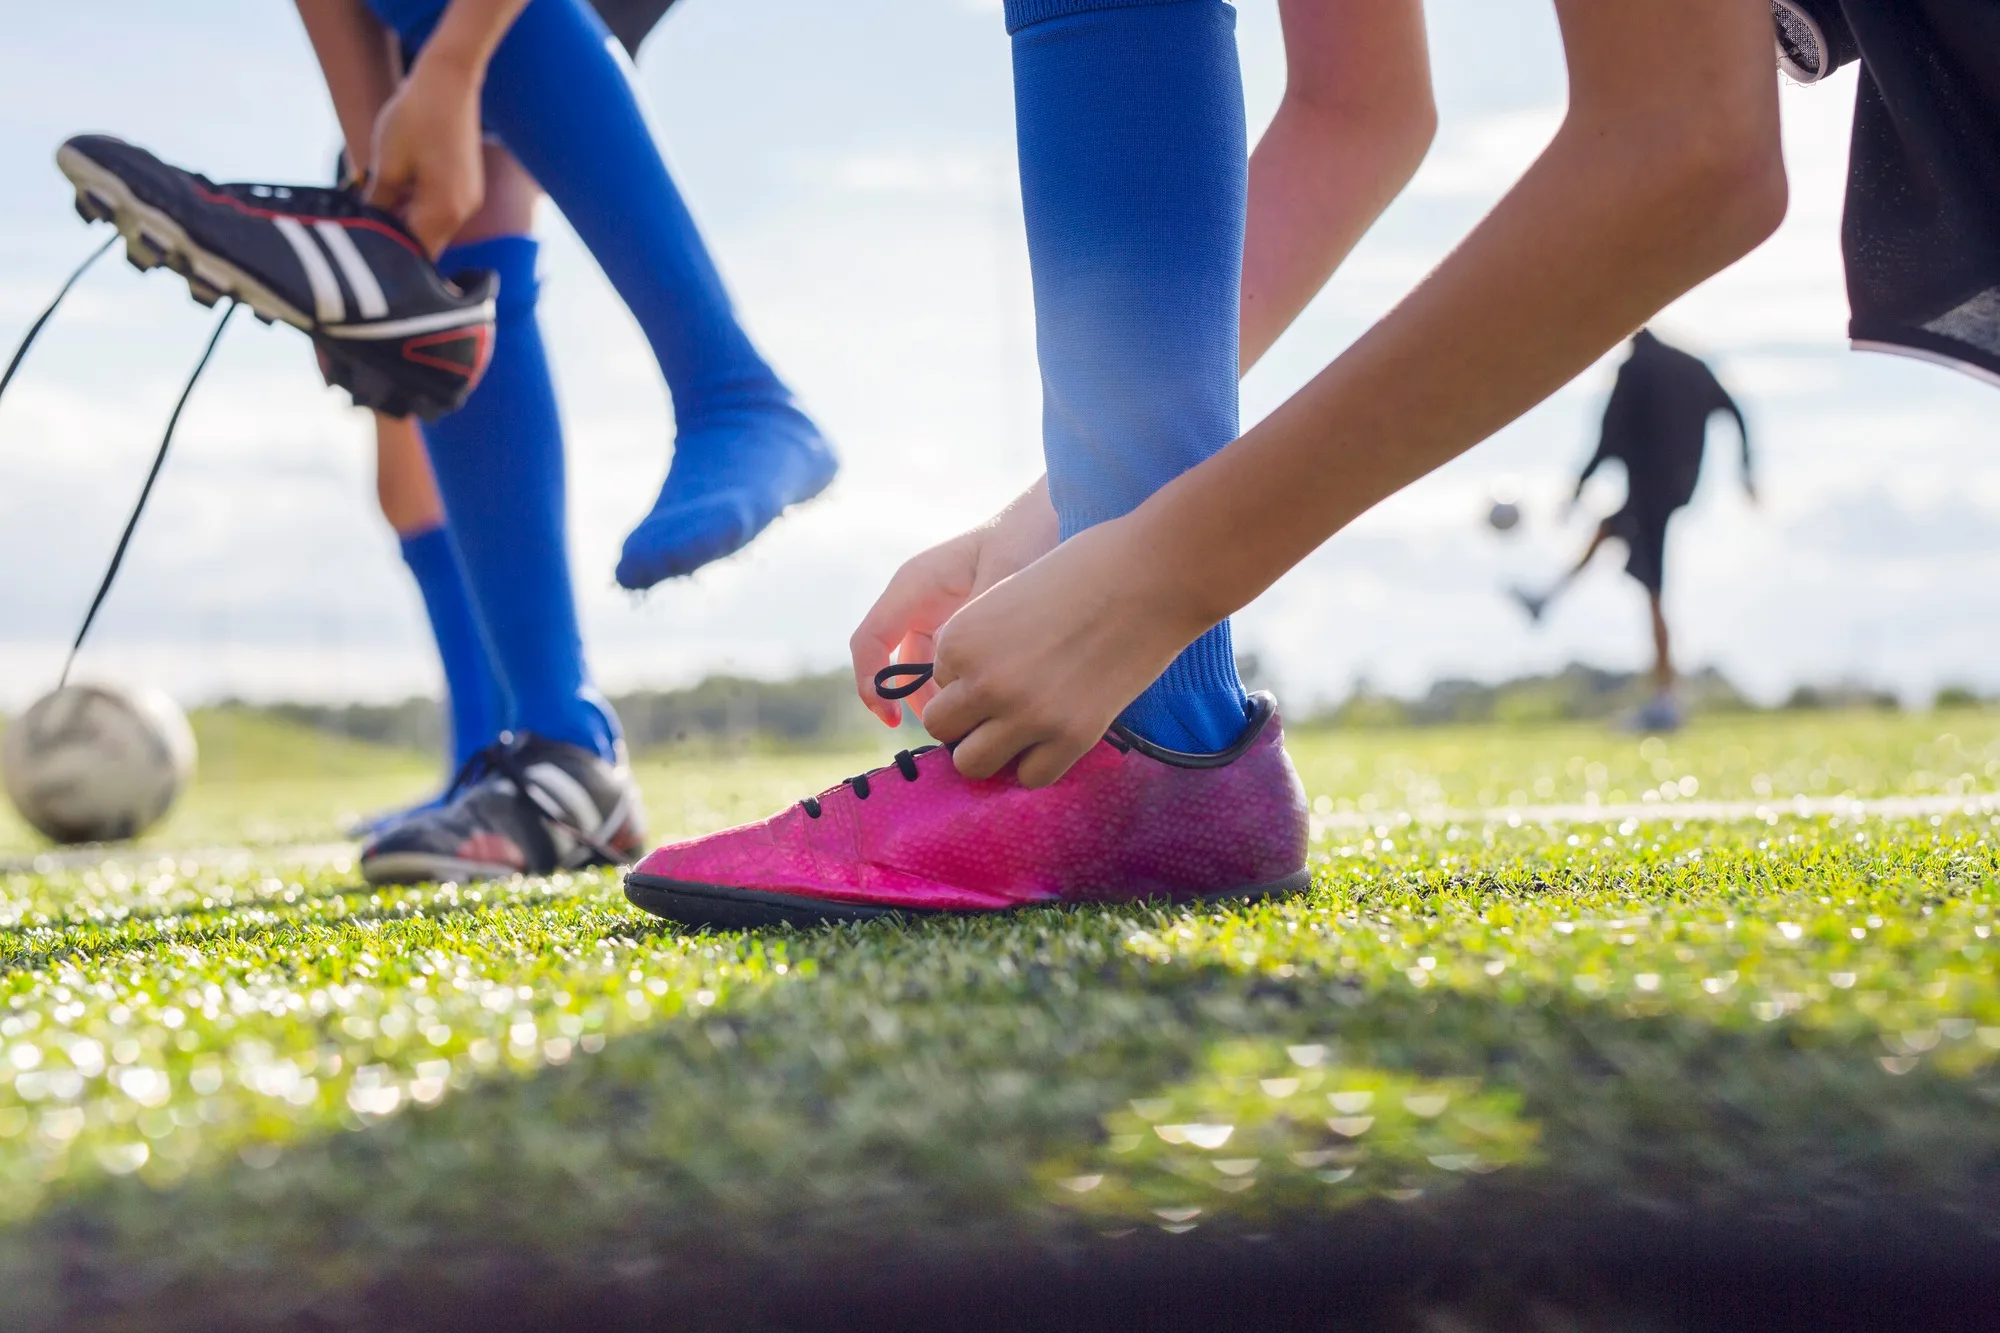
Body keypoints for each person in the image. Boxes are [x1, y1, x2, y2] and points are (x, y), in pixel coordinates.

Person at [1512, 327, 1753, 733]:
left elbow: (1608, 439)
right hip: (1679, 487)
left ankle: (1667, 701)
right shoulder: (1691, 365)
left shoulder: (1634, 369)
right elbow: (1734, 411)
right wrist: (1747, 470)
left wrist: (1577, 490)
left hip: (1649, 492)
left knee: (1654, 591)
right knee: (1608, 528)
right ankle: (1547, 598)